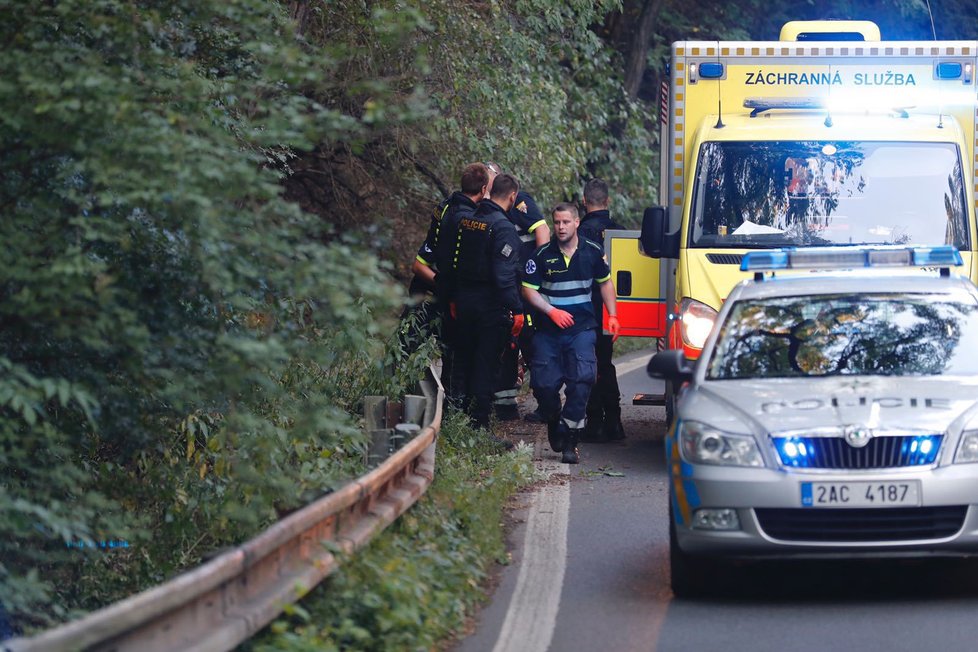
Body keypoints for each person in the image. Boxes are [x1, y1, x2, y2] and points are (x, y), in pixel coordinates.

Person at [521, 202, 620, 464]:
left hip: (582, 330)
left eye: (566, 222)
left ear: (577, 222)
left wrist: (613, 315)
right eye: (557, 222)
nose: (561, 227)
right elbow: (528, 291)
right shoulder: (541, 255)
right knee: (543, 384)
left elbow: (606, 284)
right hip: (548, 332)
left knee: (583, 379)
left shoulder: (593, 252)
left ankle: (570, 439)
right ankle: (554, 419)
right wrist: (551, 311)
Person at [441, 173, 524, 447]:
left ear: (490, 191)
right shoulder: (503, 228)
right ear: (512, 196)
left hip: (463, 302)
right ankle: (480, 428)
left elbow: (451, 261)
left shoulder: (467, 220)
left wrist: (453, 296)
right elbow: (504, 275)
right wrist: (517, 309)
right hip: (490, 307)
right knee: (485, 366)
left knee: (462, 361)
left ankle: (456, 421)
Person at [404, 163, 492, 396]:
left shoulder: (444, 207)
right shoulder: (471, 220)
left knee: (410, 346)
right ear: (483, 189)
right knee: (452, 352)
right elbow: (421, 265)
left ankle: (406, 394)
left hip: (432, 288)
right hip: (443, 292)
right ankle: (448, 408)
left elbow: (422, 260)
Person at [493, 186, 551, 421]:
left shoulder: (519, 201)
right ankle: (505, 405)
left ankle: (547, 403)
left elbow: (542, 232)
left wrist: (536, 274)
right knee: (508, 343)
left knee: (529, 341)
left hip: (521, 287)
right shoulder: (488, 209)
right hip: (505, 288)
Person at [577, 178, 627, 442]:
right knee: (605, 364)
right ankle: (615, 422)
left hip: (587, 310)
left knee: (588, 364)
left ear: (584, 202)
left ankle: (595, 422)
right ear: (607, 201)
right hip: (612, 312)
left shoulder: (579, 234)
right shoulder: (621, 233)